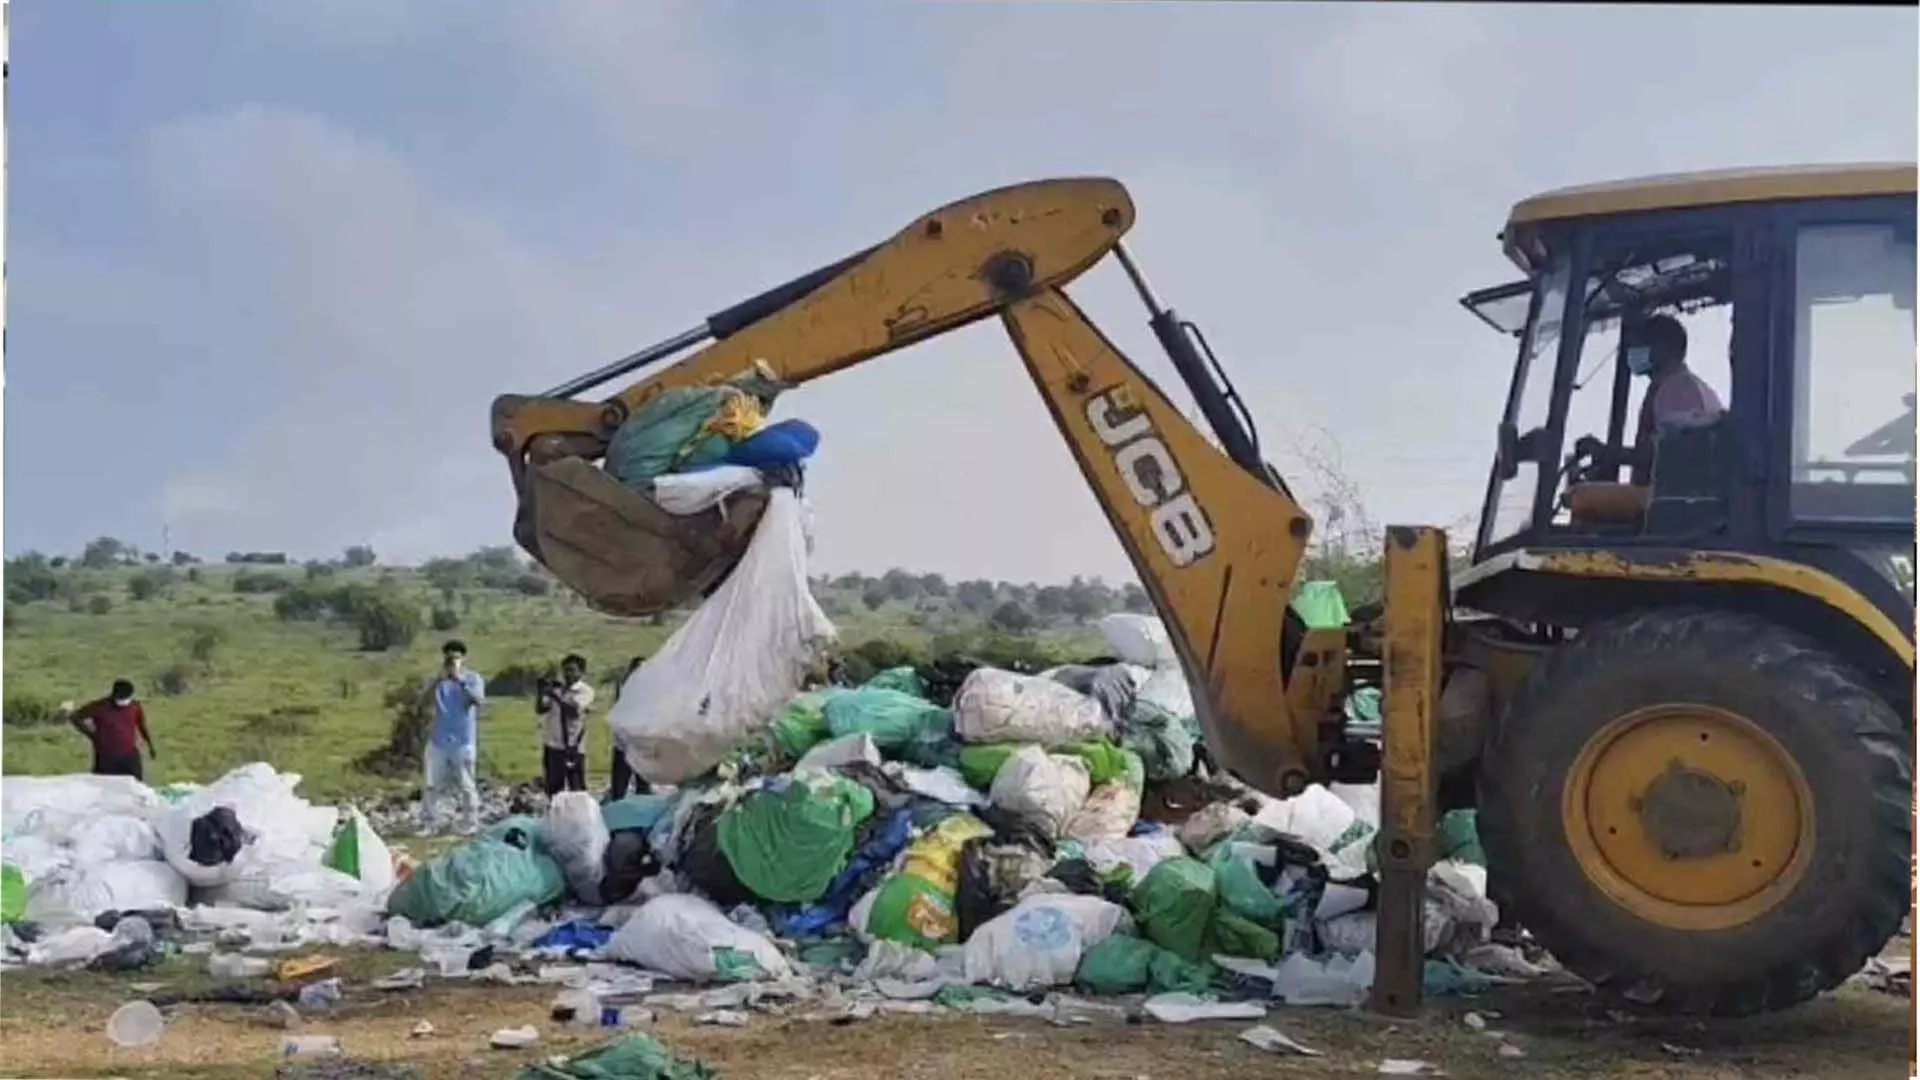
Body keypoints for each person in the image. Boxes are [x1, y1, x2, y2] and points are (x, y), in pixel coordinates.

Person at [1628, 314, 1725, 483]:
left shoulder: (1677, 388)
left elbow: (1667, 451)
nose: (1634, 350)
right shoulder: (1675, 385)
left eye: (1643, 343)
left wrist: (1608, 454)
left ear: (1664, 347)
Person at [425, 640, 486, 835]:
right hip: (439, 740)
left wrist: (459, 681)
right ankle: (431, 821)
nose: (452, 661)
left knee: (467, 784)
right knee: (431, 783)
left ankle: (470, 822)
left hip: (463, 741)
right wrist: (438, 680)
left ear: (463, 659)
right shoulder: (439, 682)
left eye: (456, 657)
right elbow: (423, 701)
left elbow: (478, 701)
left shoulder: (473, 678)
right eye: (449, 658)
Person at [66, 679, 156, 779]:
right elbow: (75, 717)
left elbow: (141, 725)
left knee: (135, 786)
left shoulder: (135, 706)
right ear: (114, 695)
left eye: (127, 697)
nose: (125, 700)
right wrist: (92, 735)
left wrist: (150, 745)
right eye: (122, 697)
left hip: (129, 755)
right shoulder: (100, 707)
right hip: (107, 757)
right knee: (106, 787)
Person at [536, 653, 596, 797]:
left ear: (581, 672)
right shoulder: (558, 689)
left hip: (572, 747)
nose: (567, 674)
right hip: (553, 744)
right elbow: (541, 709)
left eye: (572, 670)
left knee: (577, 788)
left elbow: (573, 712)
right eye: (565, 670)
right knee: (553, 788)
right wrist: (541, 691)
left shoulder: (584, 691)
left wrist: (554, 696)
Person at [607, 655, 650, 800]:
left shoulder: (651, 691)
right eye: (636, 668)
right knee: (619, 786)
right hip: (623, 744)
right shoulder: (623, 687)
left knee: (643, 786)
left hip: (642, 744)